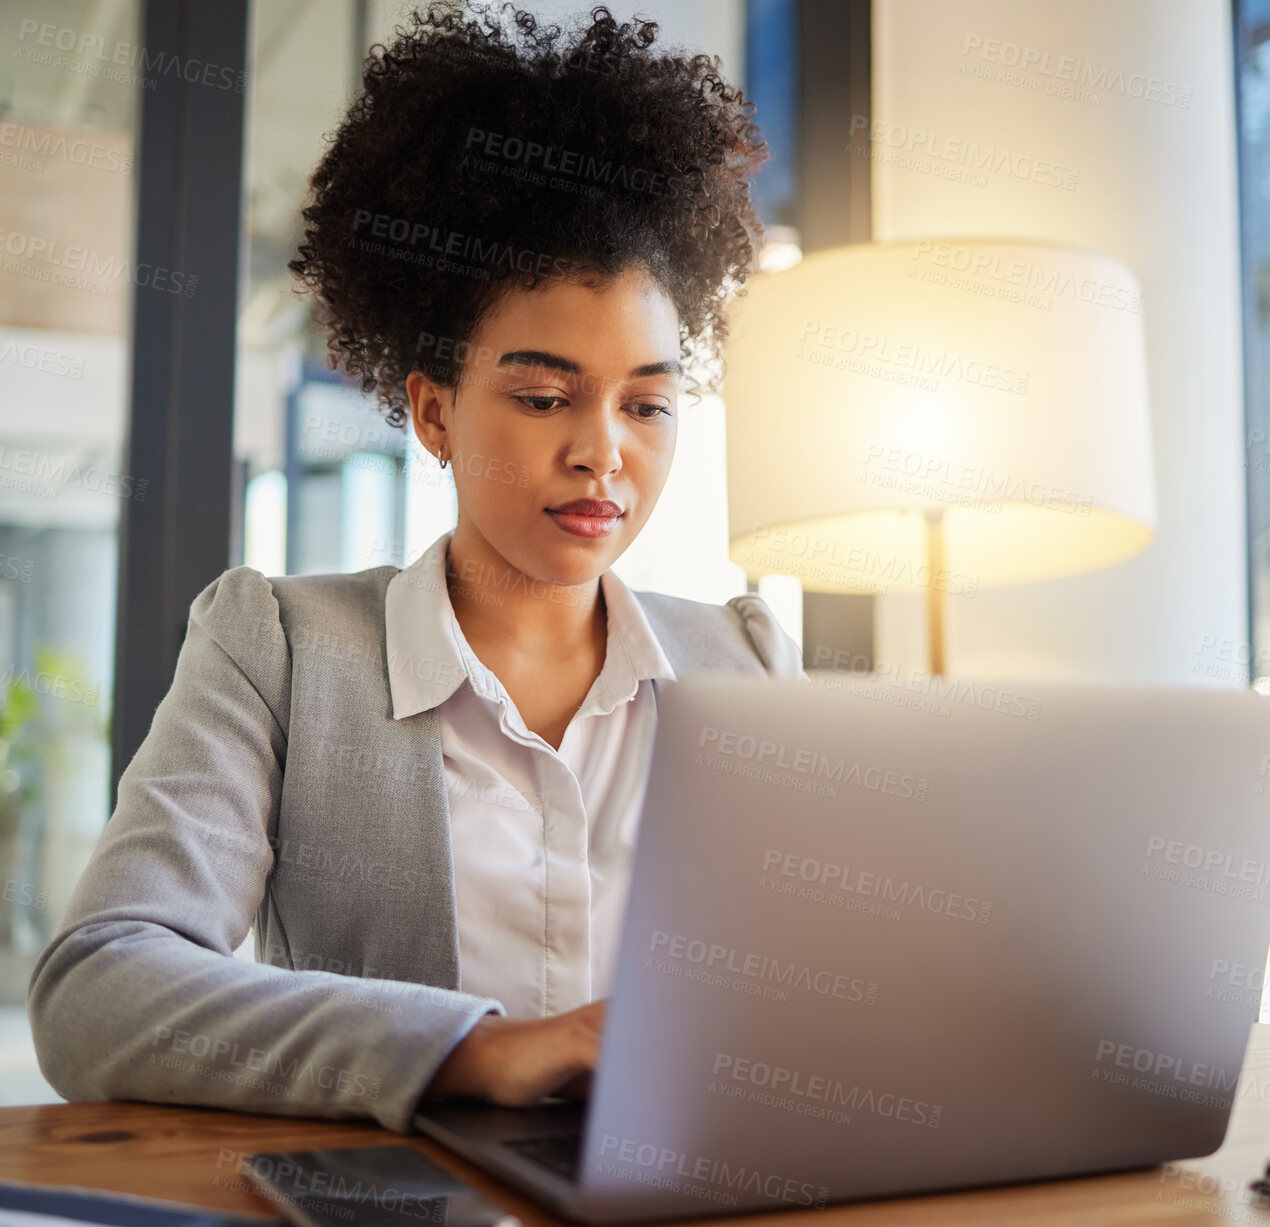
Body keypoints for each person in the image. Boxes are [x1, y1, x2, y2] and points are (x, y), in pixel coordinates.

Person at [28, 2, 803, 1134]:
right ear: (434, 413)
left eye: (647, 403)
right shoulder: (282, 652)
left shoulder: (743, 666)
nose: (602, 451)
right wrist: (473, 1052)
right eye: (543, 398)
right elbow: (95, 994)